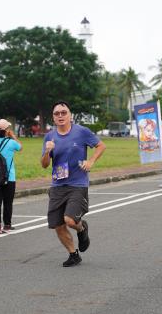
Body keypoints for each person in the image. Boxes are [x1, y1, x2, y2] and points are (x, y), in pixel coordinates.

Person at [41, 101, 106, 267]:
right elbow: (44, 164)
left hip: (78, 183)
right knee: (58, 225)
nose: (61, 116)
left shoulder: (81, 132)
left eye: (64, 112)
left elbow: (100, 145)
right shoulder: (50, 137)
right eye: (57, 114)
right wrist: (48, 151)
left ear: (70, 115)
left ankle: (82, 228)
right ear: (53, 118)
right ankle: (73, 254)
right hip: (57, 185)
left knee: (69, 220)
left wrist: (91, 161)